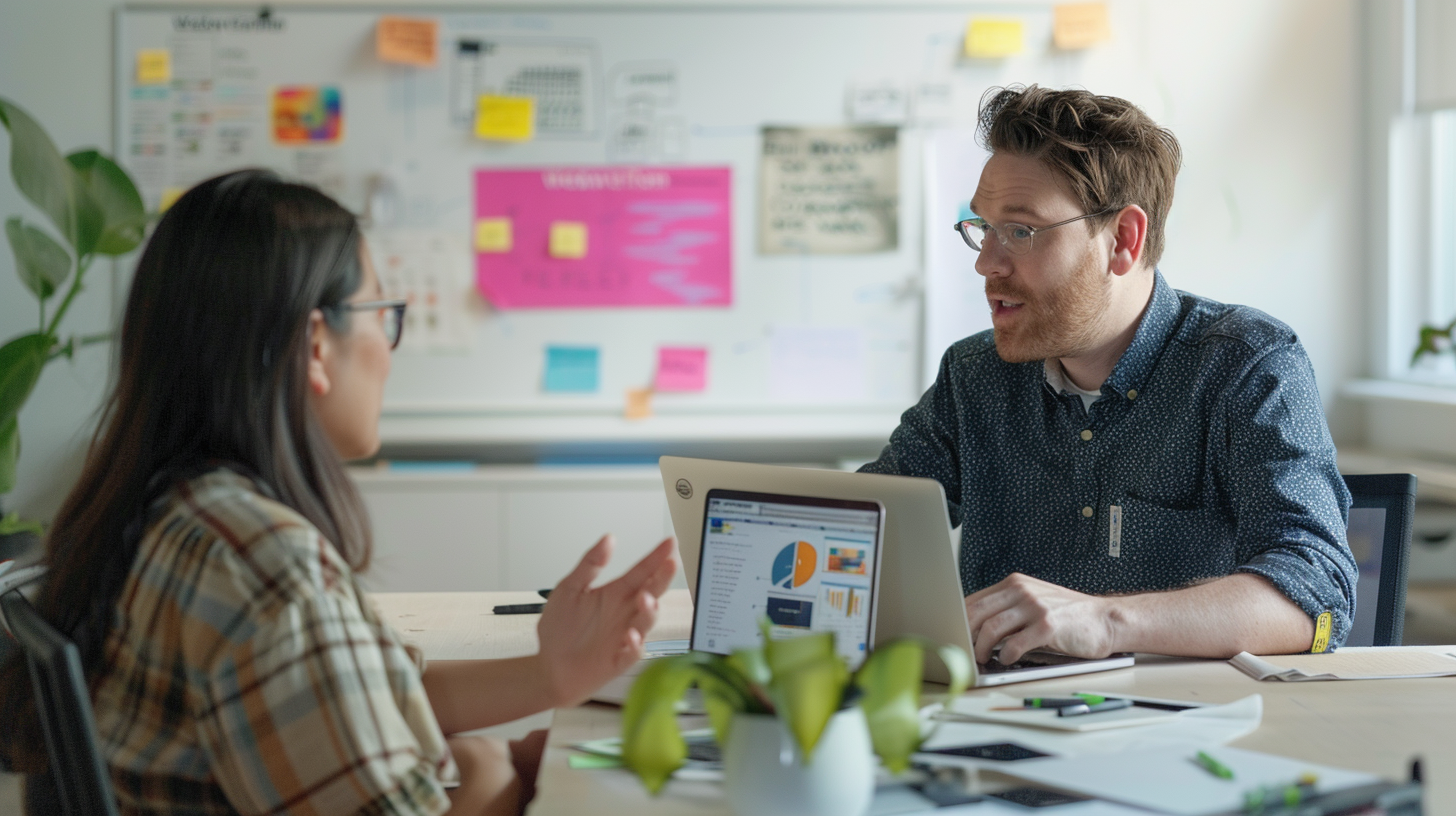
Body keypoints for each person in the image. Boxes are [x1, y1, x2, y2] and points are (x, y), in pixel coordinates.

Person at [0, 169, 678, 815]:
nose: (389, 347)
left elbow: (372, 692)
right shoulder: (261, 563)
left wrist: (549, 676)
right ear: (317, 346)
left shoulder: (172, 509)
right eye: (382, 313)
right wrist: (495, 773)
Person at [861, 85, 1357, 665]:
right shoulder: (974, 377)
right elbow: (866, 527)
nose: (986, 263)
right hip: (1001, 720)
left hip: (1189, 724)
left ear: (1123, 239)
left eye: (1020, 231)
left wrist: (1107, 620)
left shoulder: (1245, 366)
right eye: (982, 228)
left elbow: (1319, 597)